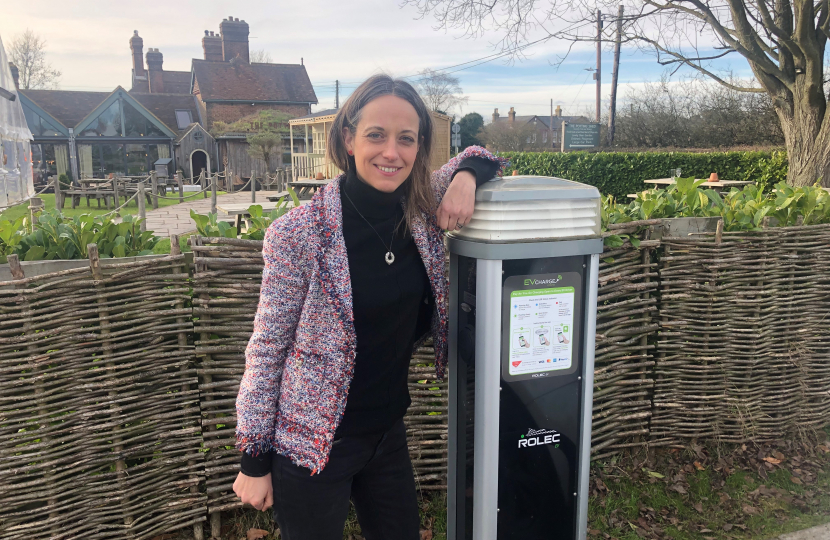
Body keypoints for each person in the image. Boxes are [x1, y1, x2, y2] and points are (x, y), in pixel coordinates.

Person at [232, 73, 506, 540]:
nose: (391, 152)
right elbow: (267, 348)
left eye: (407, 139)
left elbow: (482, 154)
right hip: (313, 443)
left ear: (420, 146)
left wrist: (465, 177)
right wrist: (254, 459)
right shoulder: (299, 234)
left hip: (385, 435)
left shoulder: (419, 208)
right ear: (348, 138)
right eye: (376, 135)